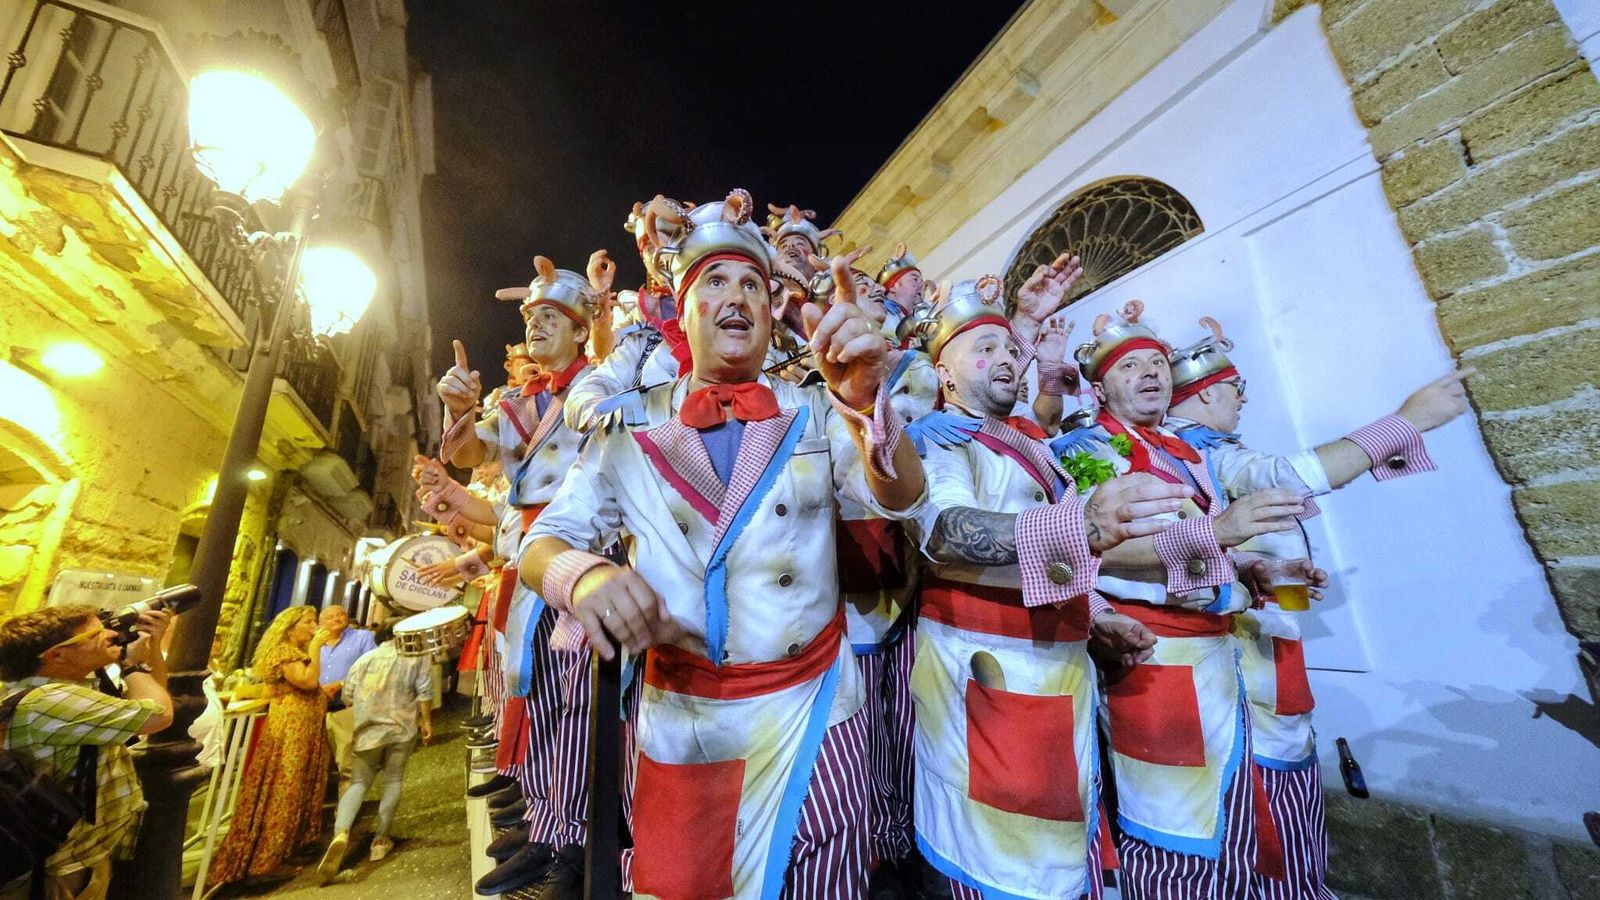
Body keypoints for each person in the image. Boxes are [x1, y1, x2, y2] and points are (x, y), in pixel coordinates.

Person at [520, 188, 929, 897]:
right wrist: (582, 579)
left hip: (817, 712)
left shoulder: (815, 409)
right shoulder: (630, 429)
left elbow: (902, 497)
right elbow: (545, 541)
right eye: (714, 280)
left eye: (751, 284)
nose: (736, 295)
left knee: (826, 881)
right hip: (686, 719)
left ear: (773, 315)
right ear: (684, 309)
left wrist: (868, 406)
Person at [1163, 316, 1471, 900]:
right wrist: (1406, 422)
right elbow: (1288, 476)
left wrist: (1275, 573)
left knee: (1284, 785)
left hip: (1264, 642)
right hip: (1234, 660)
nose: (1244, 398)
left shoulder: (1210, 450)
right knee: (1260, 799)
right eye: (1235, 387)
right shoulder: (1198, 454)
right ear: (1205, 392)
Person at [901, 273, 1180, 900]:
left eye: (1010, 348)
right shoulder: (938, 440)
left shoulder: (1035, 442)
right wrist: (1078, 521)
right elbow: (944, 531)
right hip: (988, 672)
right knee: (1001, 857)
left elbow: (1064, 558)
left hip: (1062, 665)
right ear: (943, 376)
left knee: (1058, 843)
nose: (1005, 358)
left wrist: (1100, 611)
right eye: (985, 350)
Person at [1050, 302, 1312, 899]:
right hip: (1155, 655)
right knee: (1172, 822)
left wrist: (1260, 572)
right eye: (1128, 366)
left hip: (1233, 646)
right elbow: (1101, 552)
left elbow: (1223, 549)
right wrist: (1403, 426)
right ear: (1098, 385)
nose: (1149, 373)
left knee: (1244, 802)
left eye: (1156, 363)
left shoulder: (1187, 454)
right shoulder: (1084, 451)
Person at [437, 254, 600, 898]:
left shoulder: (605, 381)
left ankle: (577, 845)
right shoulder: (518, 399)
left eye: (550, 316)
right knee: (539, 693)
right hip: (532, 551)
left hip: (584, 550)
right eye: (531, 315)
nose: (534, 325)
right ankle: (547, 824)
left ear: (582, 330)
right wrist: (459, 408)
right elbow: (471, 452)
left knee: (578, 701)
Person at [0, 604, 174, 900]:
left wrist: (151, 650)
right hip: (57, 870)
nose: (110, 635)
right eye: (96, 632)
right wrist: (131, 665)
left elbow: (154, 697)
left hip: (68, 858)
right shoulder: (52, 699)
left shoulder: (62, 689)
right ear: (56, 655)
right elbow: (158, 715)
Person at [207, 606, 332, 887]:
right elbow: (307, 681)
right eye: (308, 622)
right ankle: (265, 860)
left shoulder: (292, 651)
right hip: (292, 728)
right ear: (290, 627)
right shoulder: (285, 652)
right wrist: (315, 646)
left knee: (298, 785)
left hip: (304, 727)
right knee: (284, 788)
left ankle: (286, 849)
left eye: (315, 621)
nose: (314, 625)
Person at [316, 623, 434, 883]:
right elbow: (424, 691)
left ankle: (341, 833)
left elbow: (348, 695)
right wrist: (426, 722)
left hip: (367, 728)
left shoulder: (364, 659)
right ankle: (381, 840)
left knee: (359, 782)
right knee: (393, 779)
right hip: (401, 727)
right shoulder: (417, 657)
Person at [317, 605, 376, 790]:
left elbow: (372, 669)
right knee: (318, 766)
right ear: (321, 623)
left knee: (347, 763)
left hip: (347, 708)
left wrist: (342, 684)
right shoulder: (314, 644)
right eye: (330, 617)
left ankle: (344, 814)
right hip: (317, 709)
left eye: (340, 614)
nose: (336, 619)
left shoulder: (362, 638)